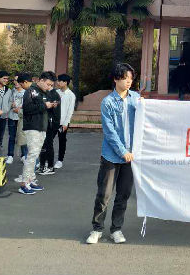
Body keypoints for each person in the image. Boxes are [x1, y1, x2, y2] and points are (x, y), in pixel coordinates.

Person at [86, 63, 140, 245]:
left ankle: (116, 229)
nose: (129, 81)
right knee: (104, 194)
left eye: (131, 78)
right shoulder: (108, 102)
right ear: (116, 79)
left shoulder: (136, 99)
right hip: (111, 156)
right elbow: (109, 132)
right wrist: (122, 151)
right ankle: (97, 229)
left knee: (123, 195)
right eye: (125, 78)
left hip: (131, 157)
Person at [18, 72, 56, 194]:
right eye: (48, 84)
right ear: (41, 80)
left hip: (41, 127)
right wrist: (45, 105)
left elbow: (42, 107)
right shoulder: (31, 91)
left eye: (51, 85)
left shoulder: (43, 92)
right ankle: (24, 183)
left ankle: (31, 180)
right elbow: (27, 109)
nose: (49, 87)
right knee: (32, 155)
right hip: (33, 127)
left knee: (34, 155)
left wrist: (50, 105)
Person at [0, 71, 15, 164]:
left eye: (7, 79)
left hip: (3, 118)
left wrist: (6, 109)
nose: (6, 80)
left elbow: (10, 101)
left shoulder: (8, 90)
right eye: (4, 78)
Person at [38, 76, 61, 175]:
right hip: (44, 123)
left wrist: (55, 125)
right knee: (43, 145)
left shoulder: (54, 94)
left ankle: (50, 167)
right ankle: (42, 165)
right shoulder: (46, 93)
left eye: (49, 84)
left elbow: (55, 112)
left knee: (48, 145)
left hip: (50, 124)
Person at [54, 74, 76, 170]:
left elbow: (70, 111)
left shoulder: (71, 95)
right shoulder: (56, 92)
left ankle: (60, 160)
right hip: (53, 121)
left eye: (60, 81)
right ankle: (45, 159)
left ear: (65, 82)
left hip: (63, 122)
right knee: (48, 140)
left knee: (62, 140)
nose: (58, 83)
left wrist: (66, 123)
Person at [11, 77, 27, 162]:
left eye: (18, 81)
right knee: (12, 137)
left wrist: (19, 108)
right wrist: (11, 104)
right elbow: (9, 101)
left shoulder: (26, 92)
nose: (16, 82)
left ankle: (24, 155)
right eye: (15, 80)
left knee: (22, 136)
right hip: (12, 116)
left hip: (21, 117)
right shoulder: (12, 91)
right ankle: (10, 155)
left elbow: (26, 105)